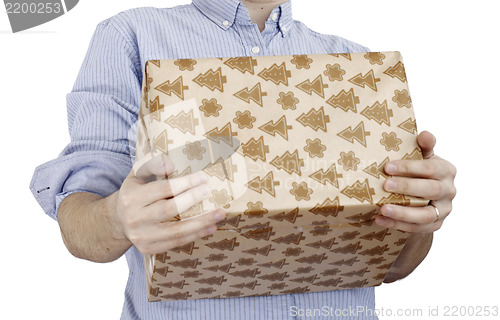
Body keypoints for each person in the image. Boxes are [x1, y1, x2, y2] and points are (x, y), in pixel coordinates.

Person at [29, 0, 457, 319]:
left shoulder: (357, 65)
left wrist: (422, 215)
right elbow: (81, 222)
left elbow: (393, 266)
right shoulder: (132, 36)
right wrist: (118, 219)